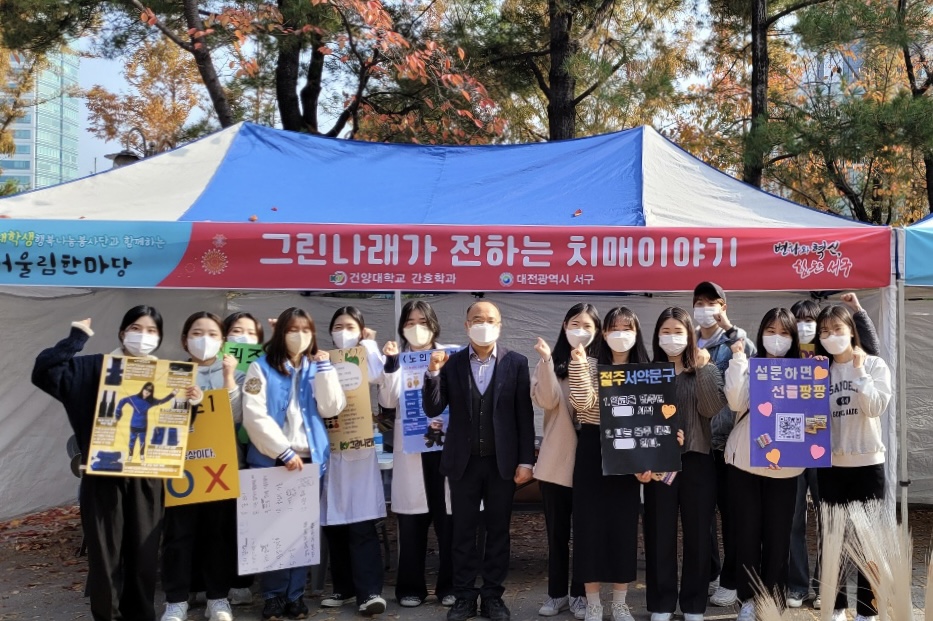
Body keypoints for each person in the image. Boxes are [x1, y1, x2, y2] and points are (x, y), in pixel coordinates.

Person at [32, 306, 199, 621]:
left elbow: (176, 426)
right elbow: (44, 372)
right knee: (105, 559)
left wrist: (189, 402)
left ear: (159, 338)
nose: (143, 336)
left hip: (148, 479)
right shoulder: (94, 368)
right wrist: (76, 338)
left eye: (151, 331)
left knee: (144, 558)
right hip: (103, 476)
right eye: (136, 328)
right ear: (123, 333)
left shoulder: (167, 376)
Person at [423, 300, 535, 621]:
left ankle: (493, 596)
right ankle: (463, 596)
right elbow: (433, 408)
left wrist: (526, 461)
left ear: (499, 325)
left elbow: (524, 416)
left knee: (498, 531)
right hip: (463, 463)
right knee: (462, 532)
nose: (483, 325)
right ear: (466, 325)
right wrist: (433, 372)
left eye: (489, 320)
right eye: (476, 319)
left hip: (502, 464)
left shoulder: (516, 362)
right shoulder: (452, 363)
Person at [241, 307, 346, 621]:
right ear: (280, 333)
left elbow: (331, 407)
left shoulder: (318, 366)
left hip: (311, 459)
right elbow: (254, 414)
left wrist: (325, 369)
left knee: (302, 532)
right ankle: (273, 595)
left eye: (305, 330)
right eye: (292, 329)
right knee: (273, 532)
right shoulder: (260, 367)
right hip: (272, 459)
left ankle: (295, 595)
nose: (299, 336)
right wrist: (282, 451)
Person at [786, 293, 880, 610]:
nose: (807, 328)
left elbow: (869, 357)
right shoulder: (798, 362)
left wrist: (859, 314)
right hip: (806, 453)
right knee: (801, 522)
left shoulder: (847, 360)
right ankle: (807, 590)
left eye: (813, 323)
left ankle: (839, 594)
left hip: (846, 456)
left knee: (843, 529)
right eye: (799, 322)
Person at [565, 305, 652, 621]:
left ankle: (619, 602)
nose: (620, 334)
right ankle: (593, 603)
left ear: (636, 333)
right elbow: (583, 405)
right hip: (593, 447)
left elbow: (652, 418)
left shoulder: (645, 370)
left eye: (627, 328)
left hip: (629, 449)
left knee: (623, 526)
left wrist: (648, 461)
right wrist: (578, 365)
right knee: (588, 526)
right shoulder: (587, 364)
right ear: (603, 333)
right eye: (614, 328)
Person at [643, 307, 727, 621]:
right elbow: (638, 419)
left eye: (678, 332)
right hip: (659, 463)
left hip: (698, 459)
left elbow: (711, 408)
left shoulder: (706, 368)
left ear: (690, 335)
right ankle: (661, 603)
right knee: (659, 532)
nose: (672, 338)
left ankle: (694, 603)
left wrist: (703, 368)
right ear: (657, 336)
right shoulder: (648, 373)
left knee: (699, 534)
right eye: (666, 331)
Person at [160, 312, 245, 621]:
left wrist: (228, 379)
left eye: (212, 334)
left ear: (222, 341)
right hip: (180, 469)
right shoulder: (171, 374)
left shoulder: (236, 373)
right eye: (197, 333)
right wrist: (184, 403)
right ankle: (176, 601)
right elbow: (160, 418)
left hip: (221, 468)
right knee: (178, 536)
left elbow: (237, 418)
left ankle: (217, 598)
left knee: (218, 534)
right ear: (185, 340)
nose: (204, 340)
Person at [723, 308, 805, 621]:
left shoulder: (803, 372)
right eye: (771, 331)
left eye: (784, 333)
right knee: (746, 534)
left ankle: (772, 600)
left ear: (793, 338)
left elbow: (812, 419)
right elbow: (735, 401)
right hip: (745, 463)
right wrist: (738, 360)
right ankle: (747, 599)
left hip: (786, 468)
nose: (777, 338)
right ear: (761, 334)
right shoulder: (751, 366)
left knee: (778, 537)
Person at [814, 304, 892, 621]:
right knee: (834, 541)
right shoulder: (820, 371)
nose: (831, 336)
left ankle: (867, 611)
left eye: (838, 329)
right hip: (831, 466)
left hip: (868, 465)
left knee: (867, 542)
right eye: (825, 331)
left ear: (851, 331)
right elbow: (811, 420)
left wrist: (859, 372)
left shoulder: (874, 365)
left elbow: (875, 408)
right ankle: (835, 607)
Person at [377, 300, 455, 608]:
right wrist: (390, 365)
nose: (416, 327)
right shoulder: (398, 358)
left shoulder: (450, 356)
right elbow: (387, 401)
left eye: (422, 321)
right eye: (410, 322)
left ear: (434, 325)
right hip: (411, 448)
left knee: (449, 520)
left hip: (445, 447)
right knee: (411, 522)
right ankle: (410, 587)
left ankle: (450, 586)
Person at [531, 304, 603, 620]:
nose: (581, 331)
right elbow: (546, 401)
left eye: (588, 326)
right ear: (564, 325)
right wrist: (547, 360)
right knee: (557, 532)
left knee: (586, 532)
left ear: (597, 331)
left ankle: (580, 594)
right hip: (556, 460)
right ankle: (556, 593)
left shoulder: (603, 366)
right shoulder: (550, 362)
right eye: (575, 324)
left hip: (591, 460)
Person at [320, 306, 389, 616]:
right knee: (334, 522)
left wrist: (370, 344)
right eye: (338, 326)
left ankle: (369, 591)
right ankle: (343, 587)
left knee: (361, 522)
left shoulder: (364, 356)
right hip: (331, 448)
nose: (343, 332)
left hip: (359, 448)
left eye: (350, 327)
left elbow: (378, 375)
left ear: (360, 331)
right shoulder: (323, 359)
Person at [692, 281, 755, 607]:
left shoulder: (733, 341)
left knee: (732, 515)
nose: (704, 308)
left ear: (723, 306)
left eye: (711, 302)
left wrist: (729, 328)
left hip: (728, 443)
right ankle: (712, 572)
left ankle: (731, 579)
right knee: (701, 515)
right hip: (696, 444)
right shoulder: (687, 341)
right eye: (699, 302)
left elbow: (753, 356)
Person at [222, 311, 264, 606]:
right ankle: (205, 582)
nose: (244, 338)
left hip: (254, 452)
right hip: (220, 454)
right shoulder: (209, 367)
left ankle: (241, 582)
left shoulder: (263, 367)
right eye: (237, 331)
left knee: (244, 521)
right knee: (218, 522)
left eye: (251, 333)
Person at [116, 382, 177, 462]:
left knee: (142, 442)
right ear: (143, 389)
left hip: (143, 426)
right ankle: (130, 456)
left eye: (150, 391)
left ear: (151, 393)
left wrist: (172, 394)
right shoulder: (134, 398)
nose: (147, 392)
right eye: (146, 389)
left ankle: (142, 455)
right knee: (132, 441)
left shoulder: (151, 401)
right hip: (133, 425)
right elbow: (122, 400)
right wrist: (118, 412)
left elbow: (162, 401)